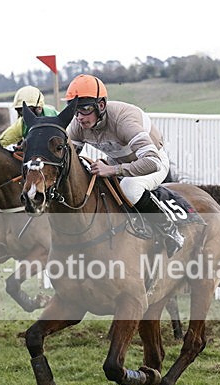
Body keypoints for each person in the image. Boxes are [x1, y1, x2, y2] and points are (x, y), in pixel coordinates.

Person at [63, 74, 184, 256]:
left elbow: (152, 162)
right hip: (120, 163)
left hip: (153, 162)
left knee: (129, 187)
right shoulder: (78, 125)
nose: (79, 117)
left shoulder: (123, 121)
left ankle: (170, 230)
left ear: (101, 105)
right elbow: (68, 158)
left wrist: (112, 169)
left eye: (85, 109)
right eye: (75, 111)